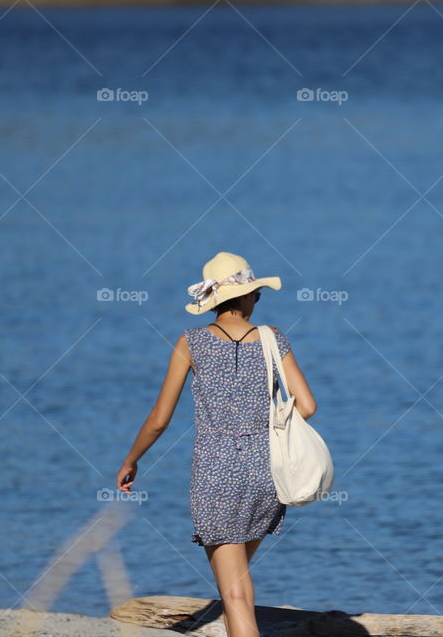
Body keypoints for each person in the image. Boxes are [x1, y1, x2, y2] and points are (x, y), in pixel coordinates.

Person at [117, 252, 317, 637]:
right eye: (256, 295)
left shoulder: (190, 342)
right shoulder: (274, 339)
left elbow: (160, 419)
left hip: (216, 474)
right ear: (246, 298)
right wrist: (264, 427)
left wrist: (132, 459)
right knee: (236, 582)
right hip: (266, 472)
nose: (257, 301)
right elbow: (307, 405)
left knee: (235, 593)